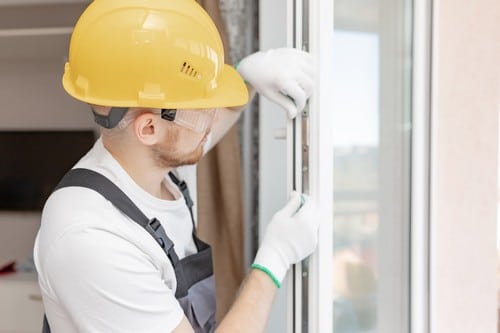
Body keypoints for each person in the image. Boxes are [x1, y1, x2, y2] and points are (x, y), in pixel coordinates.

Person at [33, 1, 319, 332]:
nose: (212, 118)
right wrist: (273, 261)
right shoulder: (91, 238)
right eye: (201, 109)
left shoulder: (149, 167)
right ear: (149, 129)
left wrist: (245, 77)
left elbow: (195, 131)